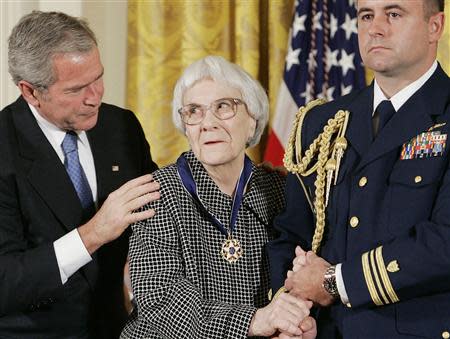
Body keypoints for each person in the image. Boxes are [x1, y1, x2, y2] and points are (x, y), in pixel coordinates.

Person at [267, 0, 450, 338]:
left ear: (434, 27)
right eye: (366, 15)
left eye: (394, 14)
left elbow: (443, 244)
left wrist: (334, 282)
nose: (375, 27)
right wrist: (292, 311)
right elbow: (291, 234)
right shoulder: (319, 123)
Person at [120, 56, 316, 339]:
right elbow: (160, 299)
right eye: (194, 111)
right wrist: (255, 321)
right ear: (185, 126)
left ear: (253, 121)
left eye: (223, 107)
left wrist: (297, 323)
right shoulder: (157, 192)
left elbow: (299, 274)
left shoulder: (277, 189)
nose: (207, 123)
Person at [0, 11, 160, 338]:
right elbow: (5, 282)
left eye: (98, 77)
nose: (95, 96)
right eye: (76, 89)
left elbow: (160, 213)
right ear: (30, 91)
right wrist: (92, 234)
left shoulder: (121, 127)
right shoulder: (4, 147)